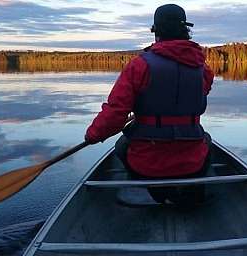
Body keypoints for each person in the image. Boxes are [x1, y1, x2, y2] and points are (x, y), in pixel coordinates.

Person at [85, 4, 214, 204]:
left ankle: (155, 191)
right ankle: (187, 188)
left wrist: (93, 135)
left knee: (121, 144)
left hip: (146, 164)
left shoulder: (139, 65)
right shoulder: (202, 68)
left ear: (156, 32)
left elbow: (114, 114)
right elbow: (190, 97)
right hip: (193, 162)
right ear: (185, 31)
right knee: (206, 138)